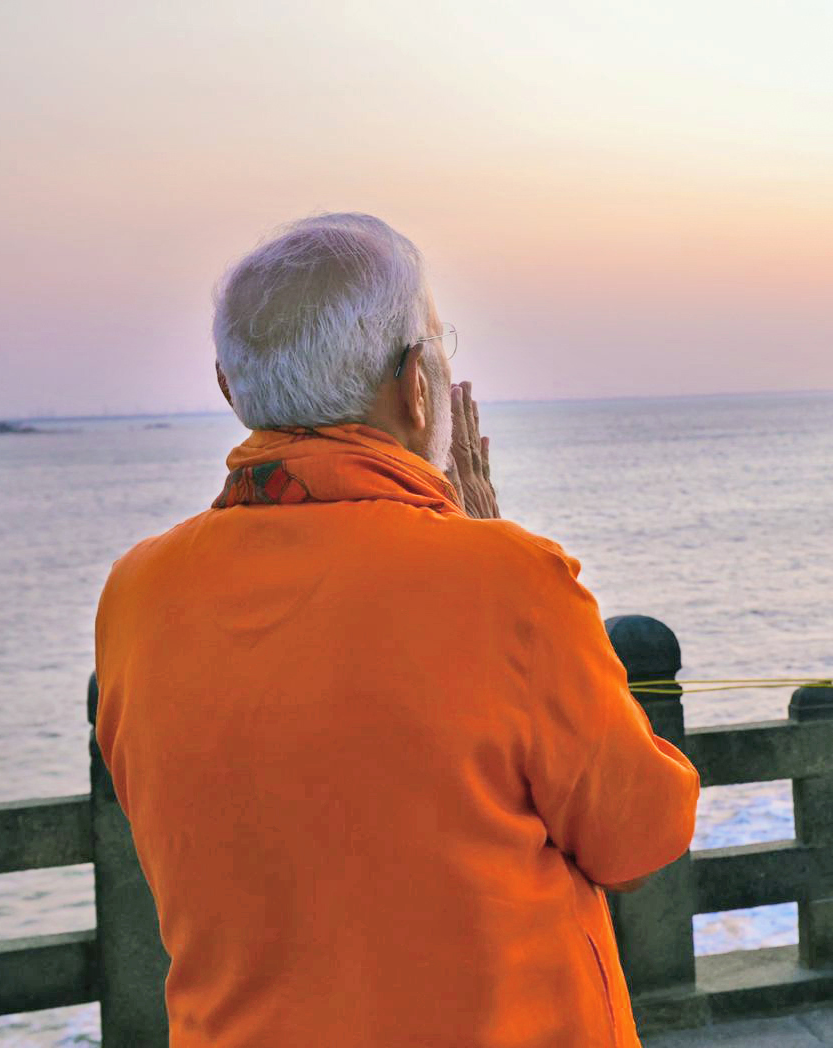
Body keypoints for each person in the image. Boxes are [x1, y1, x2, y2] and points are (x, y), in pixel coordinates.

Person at [93, 212, 700, 1048]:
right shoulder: (507, 583)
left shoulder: (135, 594)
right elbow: (641, 836)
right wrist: (478, 542)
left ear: (231, 394)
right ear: (419, 387)